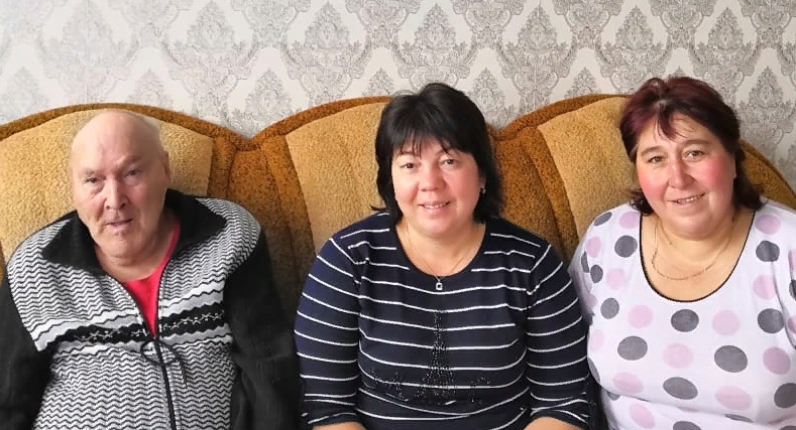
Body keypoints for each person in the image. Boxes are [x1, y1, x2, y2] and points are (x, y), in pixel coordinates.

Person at [294, 82, 592, 430]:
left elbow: (565, 403)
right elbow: (326, 406)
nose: (430, 182)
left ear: (482, 174)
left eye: (449, 161)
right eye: (410, 164)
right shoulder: (347, 259)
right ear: (390, 178)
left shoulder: (533, 263)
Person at [0, 110, 299, 429]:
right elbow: (7, 400)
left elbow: (269, 371)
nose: (114, 200)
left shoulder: (229, 234)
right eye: (93, 180)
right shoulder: (35, 265)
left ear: (164, 169)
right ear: (73, 185)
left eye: (131, 173)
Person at [569, 76, 796, 429]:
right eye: (655, 158)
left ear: (733, 159)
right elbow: (563, 366)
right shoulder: (607, 239)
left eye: (694, 153)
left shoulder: (787, 247)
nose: (678, 177)